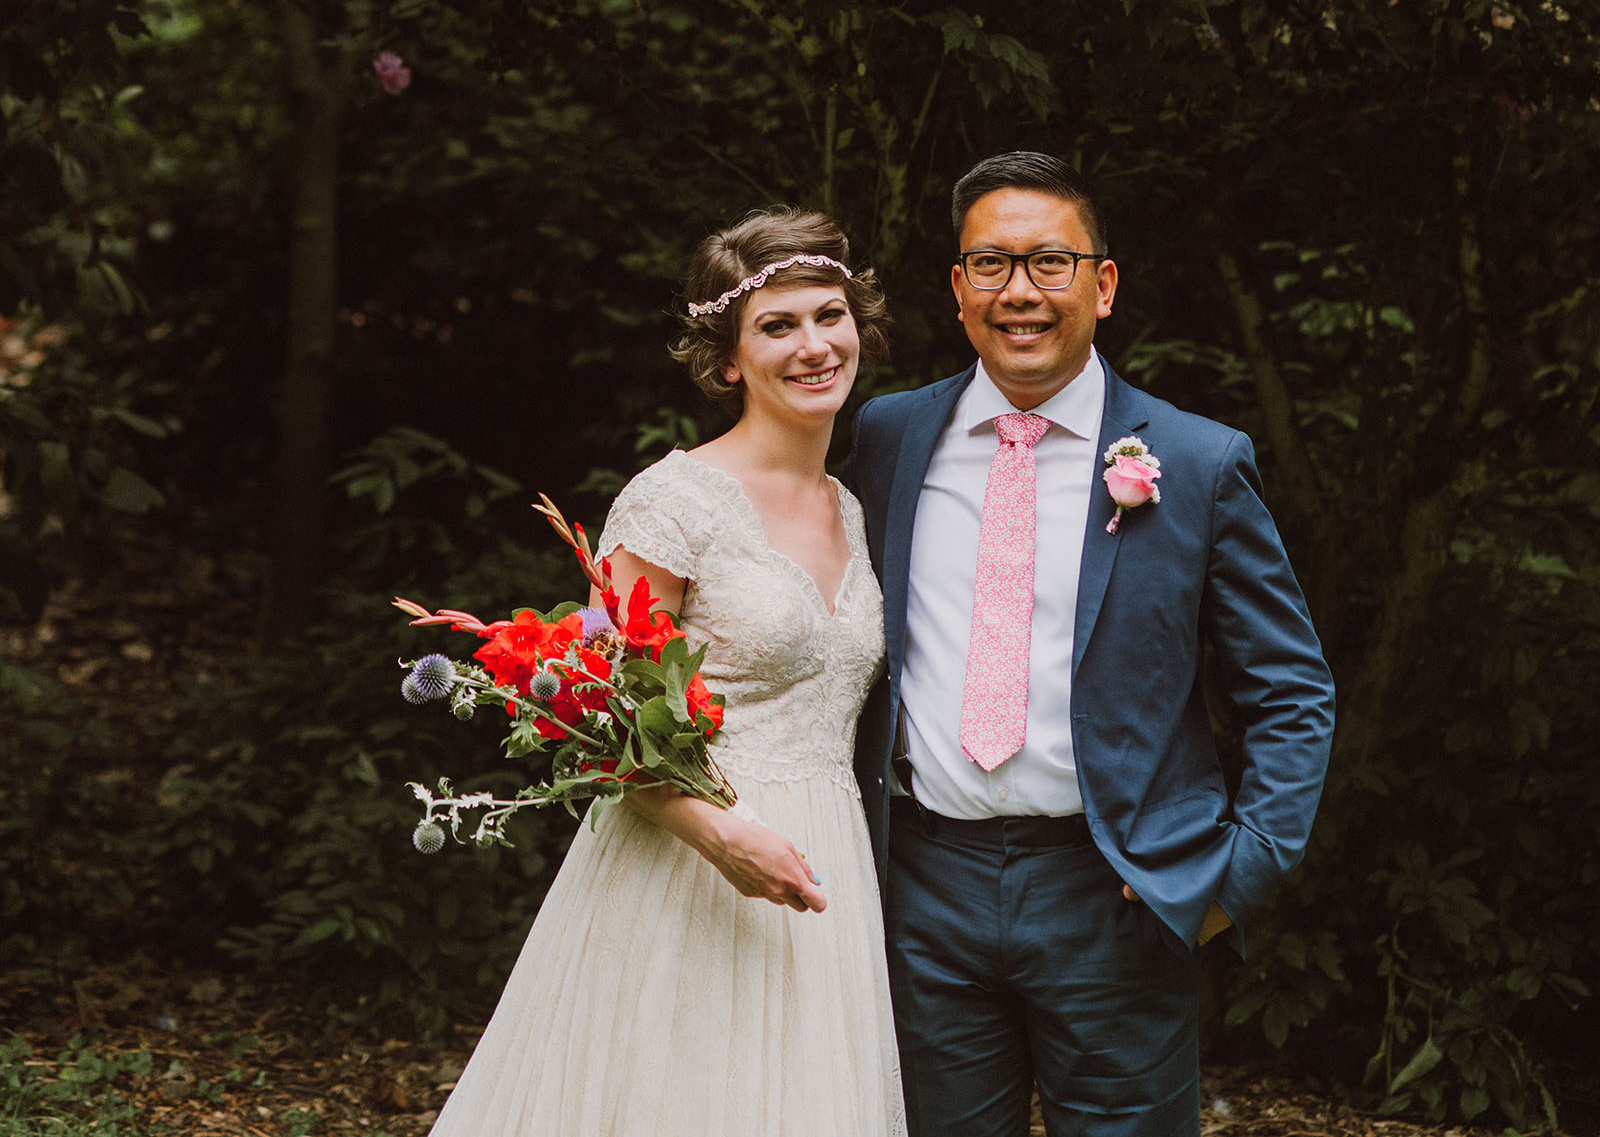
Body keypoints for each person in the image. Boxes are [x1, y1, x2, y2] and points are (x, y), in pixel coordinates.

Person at [845, 150, 1337, 1137]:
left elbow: (1290, 694)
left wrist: (1228, 880)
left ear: (1101, 285)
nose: (1018, 291)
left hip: (1113, 889)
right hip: (920, 887)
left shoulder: (1195, 463)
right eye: (989, 263)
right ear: (956, 287)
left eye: (1048, 263)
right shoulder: (885, 439)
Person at [430, 206, 907, 1137]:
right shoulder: (671, 502)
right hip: (685, 864)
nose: (814, 345)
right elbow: (587, 712)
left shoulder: (853, 508)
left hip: (827, 865)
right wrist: (720, 834)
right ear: (727, 360)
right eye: (777, 326)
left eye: (829, 316)